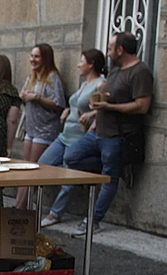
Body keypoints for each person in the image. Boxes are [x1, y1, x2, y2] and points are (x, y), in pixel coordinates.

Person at [64, 31, 153, 236]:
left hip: (118, 135)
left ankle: (93, 220)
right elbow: (107, 100)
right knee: (71, 157)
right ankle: (114, 167)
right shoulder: (115, 70)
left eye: (111, 48)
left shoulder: (140, 72)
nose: (108, 52)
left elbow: (142, 106)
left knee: (109, 178)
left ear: (121, 50)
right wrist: (97, 113)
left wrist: (110, 108)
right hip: (98, 131)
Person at [41, 48, 108, 225]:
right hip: (64, 134)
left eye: (82, 61)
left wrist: (91, 115)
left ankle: (55, 213)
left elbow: (103, 108)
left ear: (91, 64)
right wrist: (67, 110)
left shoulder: (101, 84)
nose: (78, 65)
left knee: (69, 175)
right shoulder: (85, 83)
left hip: (80, 136)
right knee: (42, 165)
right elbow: (78, 103)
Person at [13, 43, 68, 207]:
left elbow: (59, 103)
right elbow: (23, 95)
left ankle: (20, 206)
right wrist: (24, 95)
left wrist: (37, 98)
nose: (32, 59)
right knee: (25, 167)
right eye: (31, 56)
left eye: (36, 56)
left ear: (45, 58)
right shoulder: (31, 77)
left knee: (34, 168)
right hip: (30, 127)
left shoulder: (52, 77)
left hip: (45, 129)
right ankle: (18, 205)